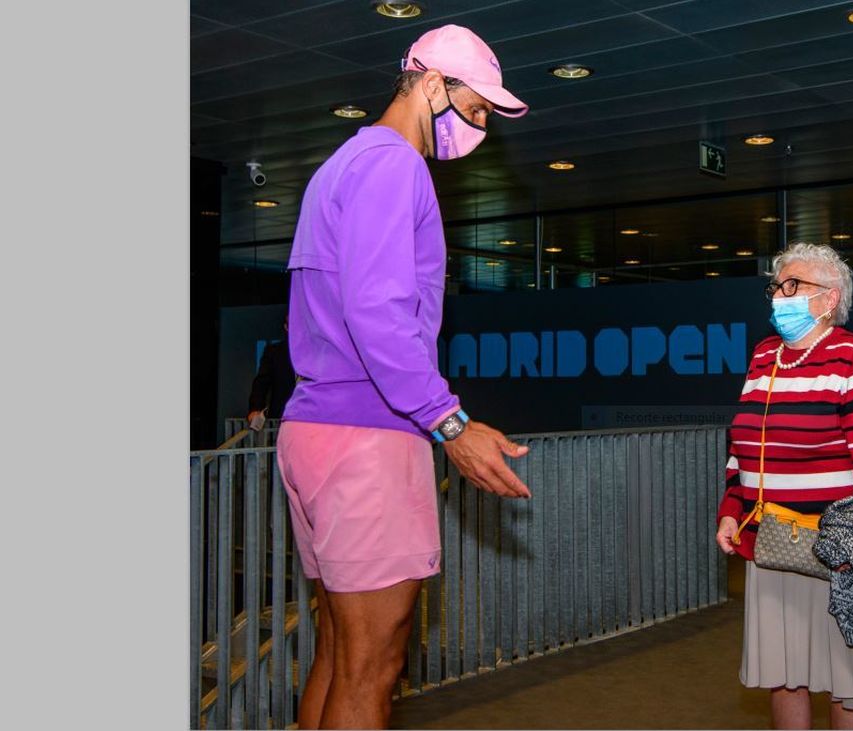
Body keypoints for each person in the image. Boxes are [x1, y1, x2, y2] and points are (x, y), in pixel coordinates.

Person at [276, 25, 532, 729]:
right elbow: (376, 313)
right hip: (368, 436)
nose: (477, 127)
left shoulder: (345, 163)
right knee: (374, 666)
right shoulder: (394, 165)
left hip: (317, 429)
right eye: (474, 109)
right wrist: (450, 422)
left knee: (339, 652)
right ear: (430, 85)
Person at [715, 242, 853, 730]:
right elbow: (744, 444)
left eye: (793, 286)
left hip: (836, 552)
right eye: (777, 286)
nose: (779, 296)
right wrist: (732, 508)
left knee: (845, 679)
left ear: (829, 298)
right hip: (771, 545)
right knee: (784, 674)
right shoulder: (764, 355)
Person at [246, 320, 296, 430]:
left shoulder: (316, 350)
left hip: (312, 418)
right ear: (286, 327)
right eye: (293, 324)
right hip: (281, 417)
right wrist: (256, 408)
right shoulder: (274, 352)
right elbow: (261, 383)